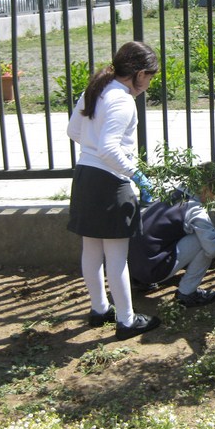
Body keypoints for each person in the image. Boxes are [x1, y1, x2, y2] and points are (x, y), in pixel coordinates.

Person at [66, 41, 161, 341]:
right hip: (110, 183)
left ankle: (99, 310)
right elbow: (109, 148)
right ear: (139, 73)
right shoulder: (122, 100)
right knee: (118, 257)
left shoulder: (97, 87)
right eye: (149, 77)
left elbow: (73, 131)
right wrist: (137, 175)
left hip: (84, 177)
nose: (148, 85)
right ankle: (127, 321)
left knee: (91, 250)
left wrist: (92, 151)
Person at [128, 180, 215, 307]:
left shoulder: (168, 197)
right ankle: (187, 293)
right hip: (152, 271)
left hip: (135, 268)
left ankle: (141, 281)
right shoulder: (194, 209)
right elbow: (213, 248)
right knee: (202, 241)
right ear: (205, 190)